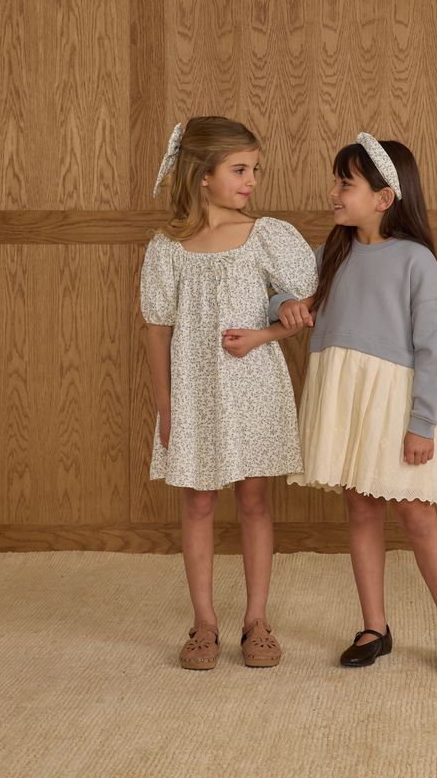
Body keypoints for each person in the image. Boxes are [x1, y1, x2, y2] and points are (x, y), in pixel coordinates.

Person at [269, 133, 437, 674]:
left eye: (346, 183)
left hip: (393, 400)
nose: (334, 192)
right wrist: (284, 303)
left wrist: (422, 422)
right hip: (343, 393)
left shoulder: (416, 261)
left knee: (415, 512)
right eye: (336, 181)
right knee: (360, 507)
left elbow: (436, 347)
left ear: (384, 198)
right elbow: (279, 290)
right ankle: (374, 625)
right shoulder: (331, 254)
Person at [140, 116, 317, 670]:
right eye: (239, 169)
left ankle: (256, 619)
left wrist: (270, 324)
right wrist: (166, 407)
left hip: (253, 385)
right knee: (197, 501)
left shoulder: (266, 236)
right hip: (192, 391)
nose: (251, 181)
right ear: (202, 176)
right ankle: (204, 623)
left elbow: (299, 306)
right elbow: (156, 328)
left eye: (255, 170)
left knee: (254, 499)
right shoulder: (169, 247)